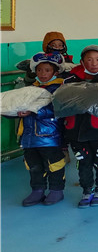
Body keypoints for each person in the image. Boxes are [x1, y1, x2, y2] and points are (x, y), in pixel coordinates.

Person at [64, 45, 98, 208]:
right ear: (82, 62)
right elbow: (62, 102)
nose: (94, 63)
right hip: (76, 131)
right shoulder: (70, 80)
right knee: (83, 162)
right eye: (89, 59)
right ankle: (87, 190)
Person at [15, 53, 67, 207]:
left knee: (54, 163)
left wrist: (33, 111)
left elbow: (57, 109)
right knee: (33, 164)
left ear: (55, 72)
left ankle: (57, 190)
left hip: (49, 136)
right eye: (39, 70)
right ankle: (37, 190)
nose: (43, 74)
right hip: (29, 136)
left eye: (47, 70)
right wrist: (15, 111)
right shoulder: (31, 88)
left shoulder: (60, 88)